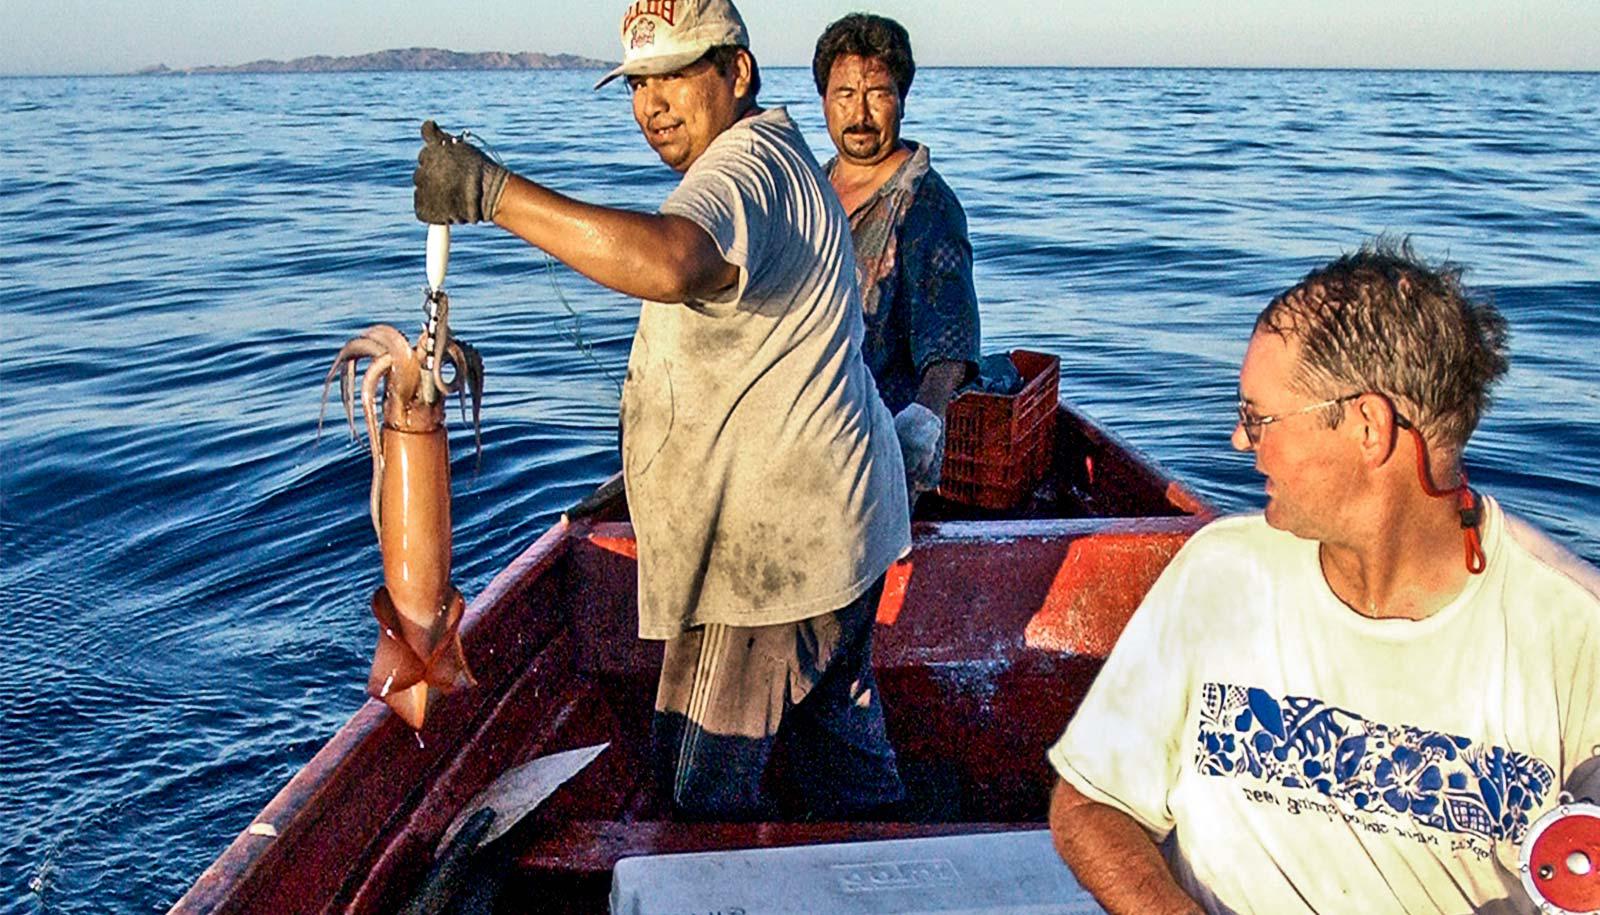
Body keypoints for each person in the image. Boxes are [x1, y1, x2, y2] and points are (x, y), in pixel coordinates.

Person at [412, 0, 910, 820]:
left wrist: (492, 193)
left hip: (767, 568)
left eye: (675, 75)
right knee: (843, 779)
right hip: (842, 531)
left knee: (695, 797)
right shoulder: (785, 159)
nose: (652, 104)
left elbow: (672, 260)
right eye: (637, 84)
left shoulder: (742, 171)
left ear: (736, 73)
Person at [1046, 239, 1600, 913]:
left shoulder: (1573, 631)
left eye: (1260, 417)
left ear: (1369, 427)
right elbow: (1092, 802)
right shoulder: (1220, 572)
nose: (1239, 442)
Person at [813, 13, 981, 503]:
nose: (860, 115)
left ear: (902, 101)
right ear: (823, 100)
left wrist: (923, 421)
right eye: (845, 95)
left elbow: (950, 341)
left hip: (876, 456)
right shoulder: (809, 192)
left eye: (878, 95)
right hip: (804, 441)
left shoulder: (926, 205)